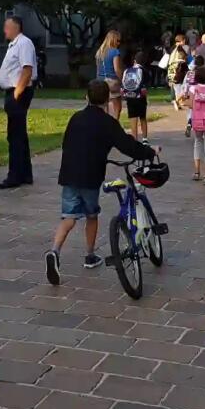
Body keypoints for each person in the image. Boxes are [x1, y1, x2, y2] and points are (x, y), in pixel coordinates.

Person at [46, 80, 156, 284]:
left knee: (68, 218)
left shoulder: (76, 118)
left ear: (86, 97)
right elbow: (127, 146)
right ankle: (89, 255)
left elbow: (65, 143)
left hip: (69, 175)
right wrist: (149, 152)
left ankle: (54, 251)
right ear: (107, 100)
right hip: (90, 176)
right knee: (91, 215)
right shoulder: (107, 123)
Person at [0, 17, 37, 189]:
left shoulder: (24, 43)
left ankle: (15, 176)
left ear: (16, 27)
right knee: (18, 134)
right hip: (14, 90)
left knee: (15, 136)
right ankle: (25, 173)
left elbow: (27, 69)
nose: (4, 30)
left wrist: (16, 93)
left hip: (18, 92)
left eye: (6, 27)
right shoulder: (14, 44)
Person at [95, 29, 125, 120]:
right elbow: (116, 69)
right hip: (112, 81)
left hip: (100, 81)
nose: (119, 43)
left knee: (104, 106)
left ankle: (104, 124)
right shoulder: (115, 51)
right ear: (113, 40)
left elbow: (97, 68)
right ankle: (114, 125)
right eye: (118, 40)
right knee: (117, 107)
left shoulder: (99, 52)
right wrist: (122, 80)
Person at [123, 51, 150, 143]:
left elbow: (123, 83)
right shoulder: (144, 71)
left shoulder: (127, 70)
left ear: (134, 61)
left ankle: (134, 138)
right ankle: (145, 138)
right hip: (140, 97)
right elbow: (146, 85)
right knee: (142, 117)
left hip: (130, 97)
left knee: (133, 117)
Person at [166, 34, 189, 111]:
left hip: (171, 71)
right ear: (180, 41)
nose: (185, 41)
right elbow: (184, 59)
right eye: (184, 40)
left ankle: (178, 103)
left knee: (176, 88)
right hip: (178, 71)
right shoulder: (179, 48)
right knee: (180, 88)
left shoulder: (172, 48)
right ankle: (177, 101)